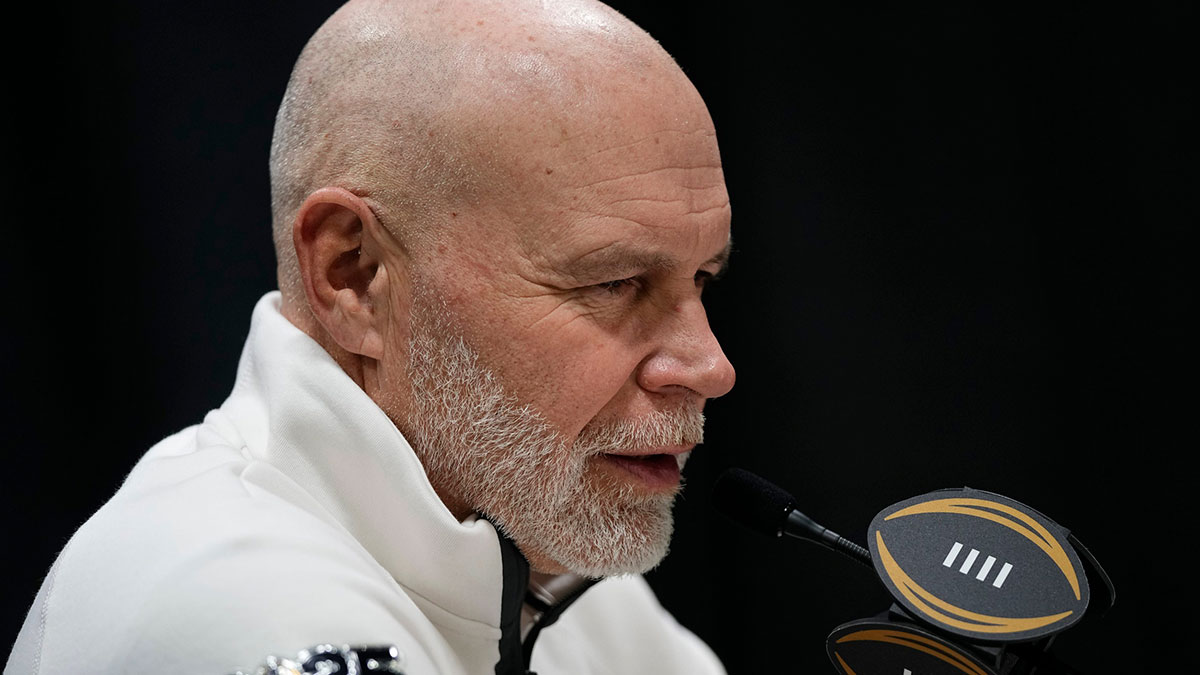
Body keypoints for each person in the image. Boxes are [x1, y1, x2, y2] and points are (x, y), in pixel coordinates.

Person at [7, 0, 736, 672]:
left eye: (702, 279)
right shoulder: (243, 600)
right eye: (613, 283)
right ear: (352, 273)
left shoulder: (562, 580)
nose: (710, 365)